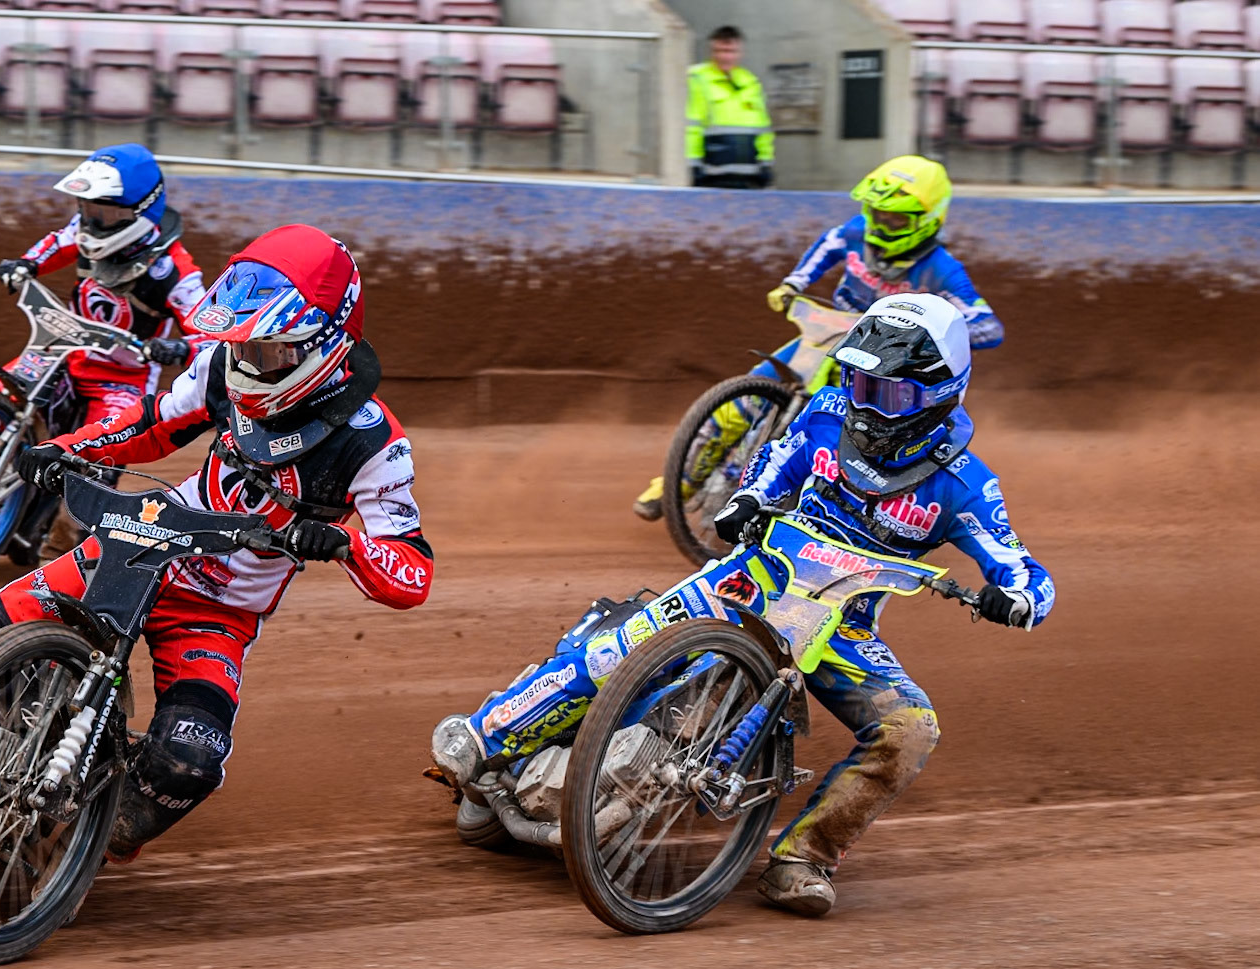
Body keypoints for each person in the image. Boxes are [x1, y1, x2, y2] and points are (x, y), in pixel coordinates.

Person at [0, 225, 434, 859]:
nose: (250, 361)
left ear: (324, 345)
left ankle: (82, 837)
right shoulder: (225, 366)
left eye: (269, 350)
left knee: (189, 763)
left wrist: (340, 545)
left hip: (216, 613)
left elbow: (412, 570)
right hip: (142, 541)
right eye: (242, 344)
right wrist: (63, 449)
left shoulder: (375, 443)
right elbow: (153, 423)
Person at [434, 294, 1053, 917]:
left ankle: (804, 858)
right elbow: (777, 460)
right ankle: (485, 742)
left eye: (887, 393)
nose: (866, 402)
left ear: (940, 394)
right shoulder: (827, 412)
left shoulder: (965, 483)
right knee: (611, 652)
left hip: (839, 625)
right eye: (860, 381)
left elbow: (1024, 568)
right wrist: (751, 498)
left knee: (910, 729)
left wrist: (1019, 598)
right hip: (748, 579)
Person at [634, 155, 1001, 520]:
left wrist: (934, 334)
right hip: (826, 335)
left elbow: (988, 325)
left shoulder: (943, 269)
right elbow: (827, 246)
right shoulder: (855, 231)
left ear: (928, 219)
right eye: (876, 213)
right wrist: (793, 283)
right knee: (738, 402)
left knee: (847, 430)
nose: (881, 223)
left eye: (895, 217)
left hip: (881, 366)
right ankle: (674, 484)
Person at [0, 142, 207, 426]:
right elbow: (59, 242)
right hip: (63, 354)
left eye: (103, 213)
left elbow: (214, 339)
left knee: (100, 451)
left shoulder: (177, 273)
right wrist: (26, 263)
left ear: (138, 210)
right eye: (87, 208)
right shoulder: (83, 229)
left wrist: (179, 348)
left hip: (122, 380)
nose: (91, 222)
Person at [686, 26, 774, 189]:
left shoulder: (750, 82)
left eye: (731, 51)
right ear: (711, 52)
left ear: (741, 52)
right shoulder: (697, 79)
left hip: (749, 177)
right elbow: (692, 127)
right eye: (720, 51)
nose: (725, 57)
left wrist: (766, 163)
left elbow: (763, 130)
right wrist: (693, 164)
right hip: (711, 175)